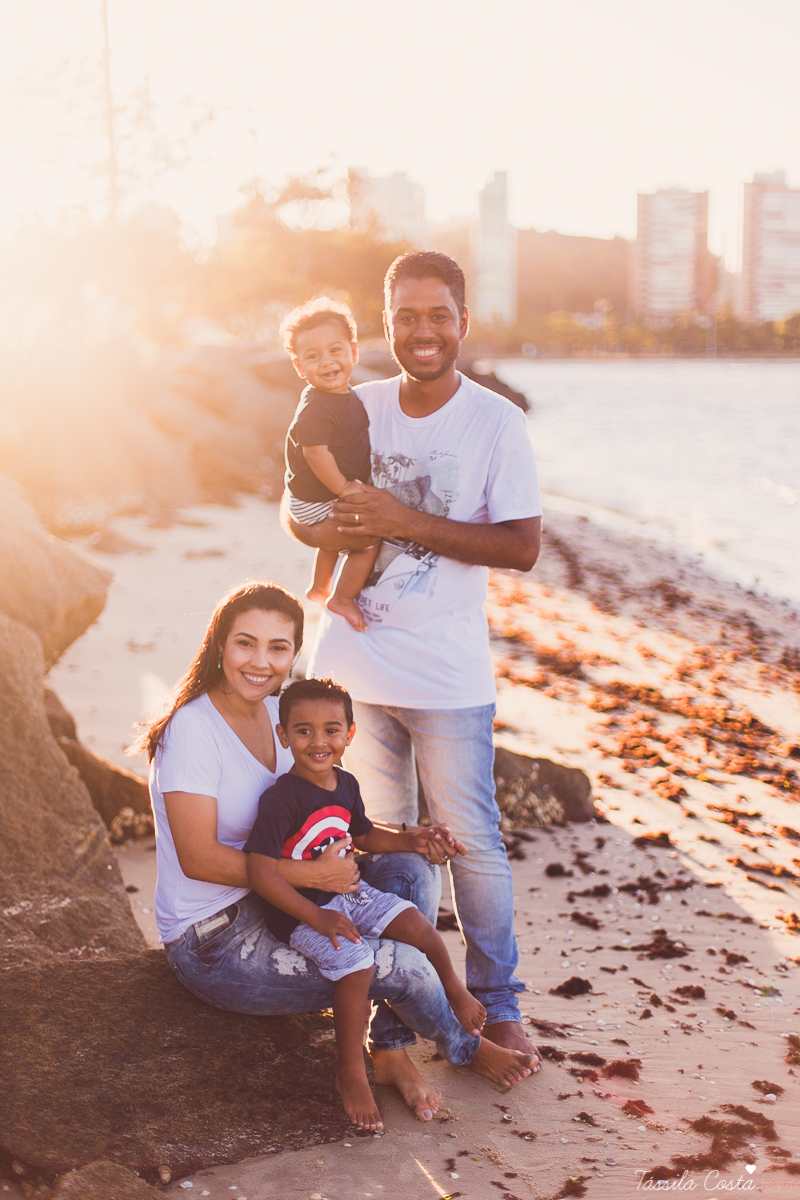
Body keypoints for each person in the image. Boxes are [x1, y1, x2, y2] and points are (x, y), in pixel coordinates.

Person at [132, 581, 536, 1129]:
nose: (260, 661)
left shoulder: (286, 716)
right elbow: (199, 858)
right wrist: (314, 874)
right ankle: (464, 1047)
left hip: (291, 895)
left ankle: (389, 1050)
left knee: (409, 872)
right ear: (219, 645)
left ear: (295, 652)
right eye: (245, 643)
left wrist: (411, 835)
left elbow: (339, 815)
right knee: (405, 963)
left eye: (278, 647)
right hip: (216, 936)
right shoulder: (192, 730)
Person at [284, 251, 544, 1063]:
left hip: (447, 675)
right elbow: (296, 514)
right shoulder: (348, 401)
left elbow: (523, 547)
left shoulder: (496, 421)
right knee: (381, 844)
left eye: (439, 315)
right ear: (385, 323)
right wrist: (340, 532)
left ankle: (497, 1003)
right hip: (354, 673)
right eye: (407, 317)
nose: (423, 331)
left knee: (469, 842)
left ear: (462, 322)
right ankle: (398, 1013)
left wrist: (402, 520)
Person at [246, 677, 486, 1131]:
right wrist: (317, 915)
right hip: (299, 911)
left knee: (415, 922)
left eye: (332, 730)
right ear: (283, 735)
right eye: (303, 731)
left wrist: (409, 840)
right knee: (357, 964)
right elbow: (261, 872)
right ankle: (352, 1069)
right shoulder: (280, 798)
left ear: (350, 733)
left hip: (348, 891)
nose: (319, 742)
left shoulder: (346, 783)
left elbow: (362, 834)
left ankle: (453, 988)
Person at [281, 298, 380, 632]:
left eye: (335, 351)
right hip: (311, 501)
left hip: (316, 495)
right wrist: (344, 488)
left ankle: (320, 587)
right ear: (299, 367)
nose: (327, 362)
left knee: (335, 538)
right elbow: (315, 454)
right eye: (313, 357)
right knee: (367, 541)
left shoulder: (347, 396)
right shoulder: (316, 407)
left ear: (354, 351)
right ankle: (342, 597)